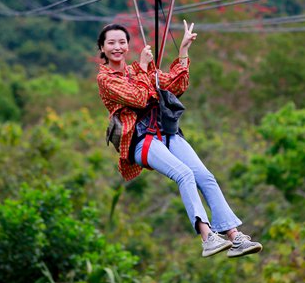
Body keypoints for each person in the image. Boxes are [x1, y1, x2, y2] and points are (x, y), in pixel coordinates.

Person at [96, 21, 262, 258]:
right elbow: (139, 98)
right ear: (102, 48)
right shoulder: (106, 79)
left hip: (165, 132)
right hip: (140, 141)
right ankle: (207, 238)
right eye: (111, 43)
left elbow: (176, 85)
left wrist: (183, 51)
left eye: (122, 42)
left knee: (205, 176)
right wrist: (144, 68)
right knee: (183, 174)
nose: (117, 47)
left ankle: (235, 237)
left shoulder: (138, 69)